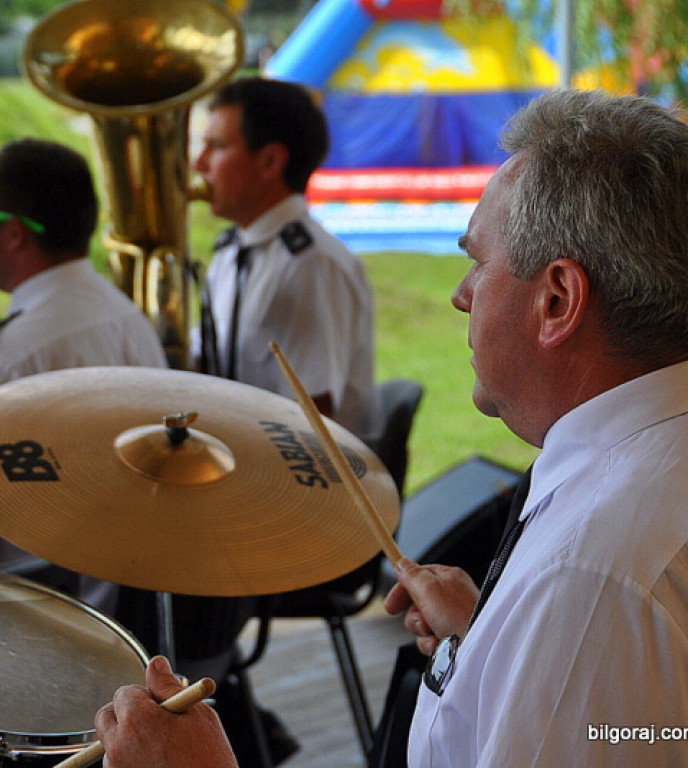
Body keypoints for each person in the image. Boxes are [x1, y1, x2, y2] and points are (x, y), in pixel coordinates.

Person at [93, 88, 688, 766]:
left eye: (477, 262)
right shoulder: (615, 542)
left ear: (556, 300)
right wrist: (493, 644)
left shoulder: (591, 581)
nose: (460, 295)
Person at [0, 138, 167, 606]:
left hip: (48, 618)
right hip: (145, 600)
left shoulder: (3, 357)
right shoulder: (125, 314)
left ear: (13, 233)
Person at [194, 75, 377, 440]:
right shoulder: (230, 252)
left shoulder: (310, 266)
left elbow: (315, 421)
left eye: (216, 147)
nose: (199, 164)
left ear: (270, 162)